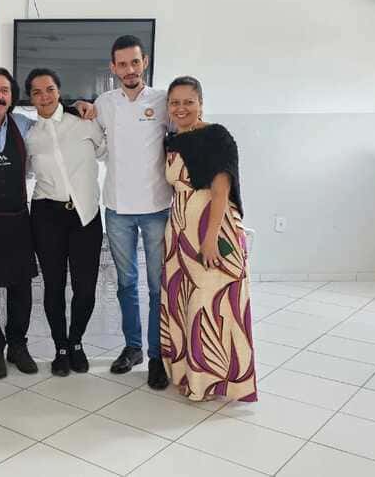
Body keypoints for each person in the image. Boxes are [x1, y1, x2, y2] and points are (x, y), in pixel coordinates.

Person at [0, 68, 95, 379]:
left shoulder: (25, 125)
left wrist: (76, 106)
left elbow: (52, 119)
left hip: (18, 220)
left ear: (12, 98)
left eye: (5, 91)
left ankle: (18, 346)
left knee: (21, 288)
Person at [160, 75, 256, 402]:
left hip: (212, 230)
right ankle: (188, 374)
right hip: (179, 233)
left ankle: (213, 383)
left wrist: (210, 238)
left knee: (211, 305)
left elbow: (221, 190)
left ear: (201, 103)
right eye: (175, 102)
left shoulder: (217, 136)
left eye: (189, 101)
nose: (181, 108)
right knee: (185, 304)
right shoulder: (173, 141)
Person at [93, 35, 172, 389]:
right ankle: (133, 347)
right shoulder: (104, 103)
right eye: (122, 64)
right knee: (126, 283)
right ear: (113, 68)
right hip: (118, 208)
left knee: (157, 286)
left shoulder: (163, 101)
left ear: (145, 62)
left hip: (157, 207)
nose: (129, 70)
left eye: (135, 62)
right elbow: (94, 143)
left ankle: (157, 355)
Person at [24, 69, 105, 377]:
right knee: (54, 287)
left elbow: (105, 150)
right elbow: (24, 173)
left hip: (86, 215)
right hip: (46, 216)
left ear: (59, 90)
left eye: (49, 89)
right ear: (30, 98)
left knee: (85, 288)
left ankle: (76, 342)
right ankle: (60, 347)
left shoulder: (84, 122)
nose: (44, 96)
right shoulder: (30, 135)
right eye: (36, 92)